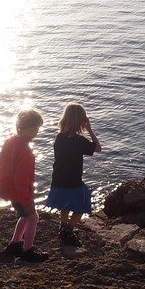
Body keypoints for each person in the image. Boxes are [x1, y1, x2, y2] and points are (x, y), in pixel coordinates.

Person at [0, 109, 49, 262]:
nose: (37, 131)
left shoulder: (9, 142)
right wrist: (26, 200)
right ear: (29, 128)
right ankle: (27, 250)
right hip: (19, 192)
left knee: (24, 217)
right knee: (32, 217)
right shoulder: (26, 151)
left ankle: (15, 244)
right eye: (36, 128)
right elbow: (21, 179)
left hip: (8, 189)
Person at [47, 103, 101, 247]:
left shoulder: (59, 137)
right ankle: (68, 229)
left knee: (65, 204)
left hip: (58, 178)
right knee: (82, 204)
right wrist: (89, 129)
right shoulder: (78, 140)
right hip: (73, 180)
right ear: (80, 121)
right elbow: (98, 148)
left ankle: (63, 226)